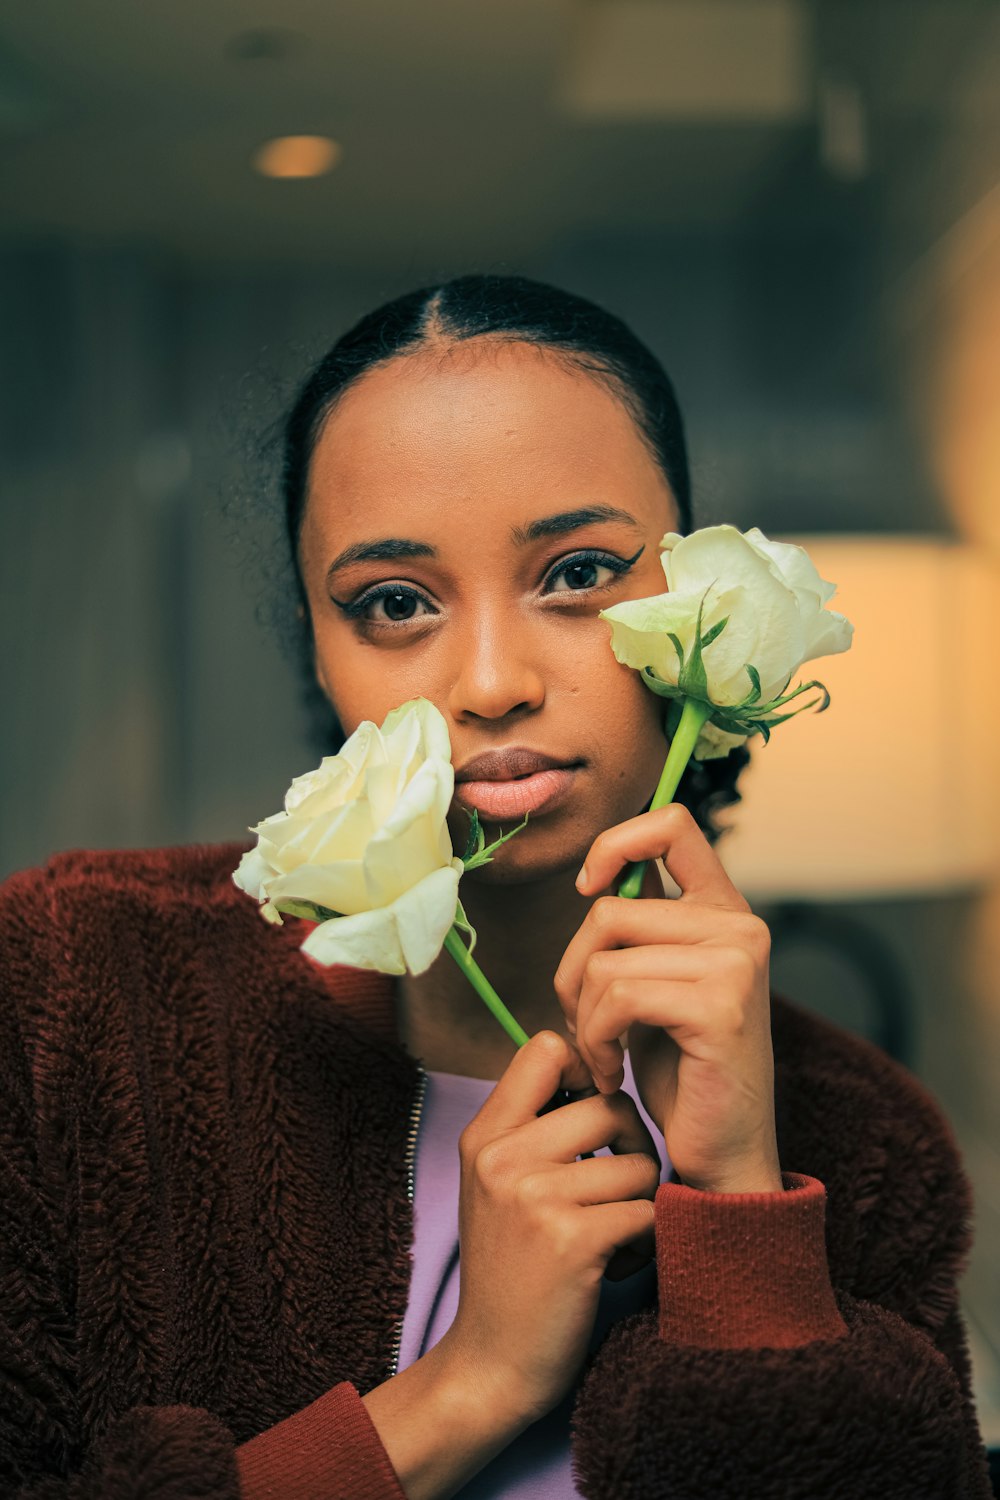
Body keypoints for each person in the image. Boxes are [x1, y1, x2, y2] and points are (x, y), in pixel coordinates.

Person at [0, 273, 992, 1500]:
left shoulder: (860, 1132)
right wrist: (468, 1385)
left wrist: (738, 1210)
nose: (488, 680)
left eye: (576, 573)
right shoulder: (72, 999)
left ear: (692, 594)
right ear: (317, 643)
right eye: (396, 603)